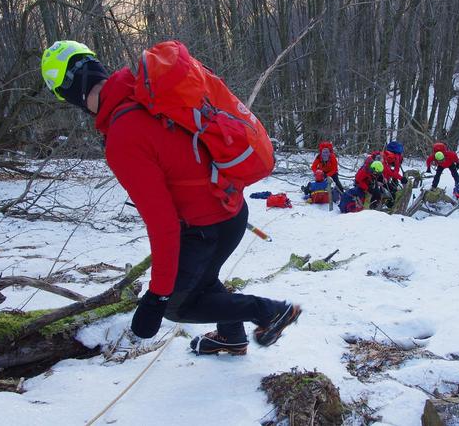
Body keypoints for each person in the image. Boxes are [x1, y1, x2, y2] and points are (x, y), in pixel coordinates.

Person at [40, 40, 301, 356]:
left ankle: (268, 311)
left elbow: (163, 224)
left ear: (70, 94)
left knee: (178, 306)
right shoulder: (147, 91)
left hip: (205, 229)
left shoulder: (122, 136)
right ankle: (232, 336)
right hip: (232, 211)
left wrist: (157, 297)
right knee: (203, 280)